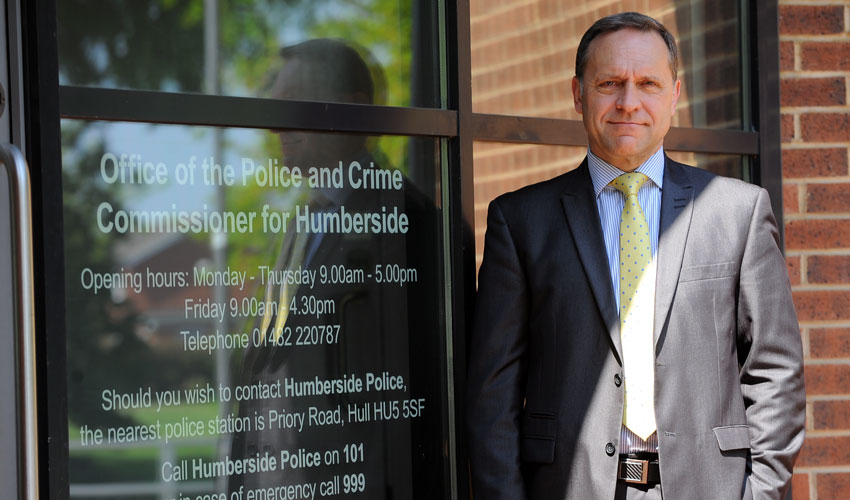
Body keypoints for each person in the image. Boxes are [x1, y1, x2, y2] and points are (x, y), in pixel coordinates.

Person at [466, 12, 804, 500]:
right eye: (610, 83)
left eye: (648, 83)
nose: (629, 102)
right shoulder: (520, 222)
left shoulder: (738, 212)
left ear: (674, 95)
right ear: (578, 94)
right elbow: (492, 397)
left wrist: (760, 493)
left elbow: (776, 373)